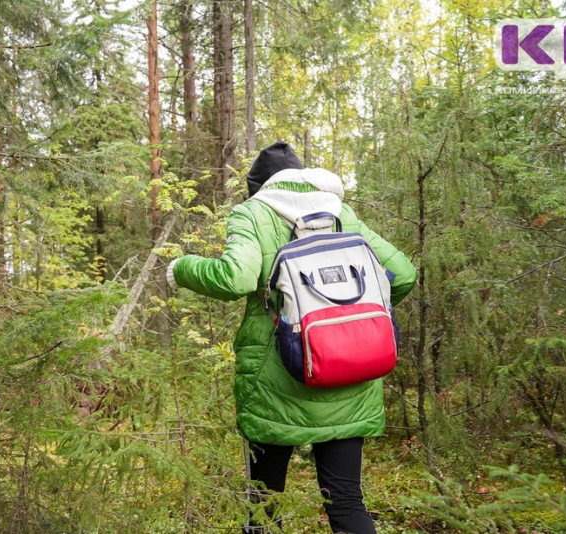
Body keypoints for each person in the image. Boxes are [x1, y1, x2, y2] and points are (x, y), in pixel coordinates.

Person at [166, 142, 416, 533]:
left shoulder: (253, 213)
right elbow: (403, 274)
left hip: (275, 381)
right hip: (350, 375)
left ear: (258, 187)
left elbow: (237, 277)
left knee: (264, 507)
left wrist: (182, 267)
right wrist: (353, 326)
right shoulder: (341, 212)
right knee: (347, 503)